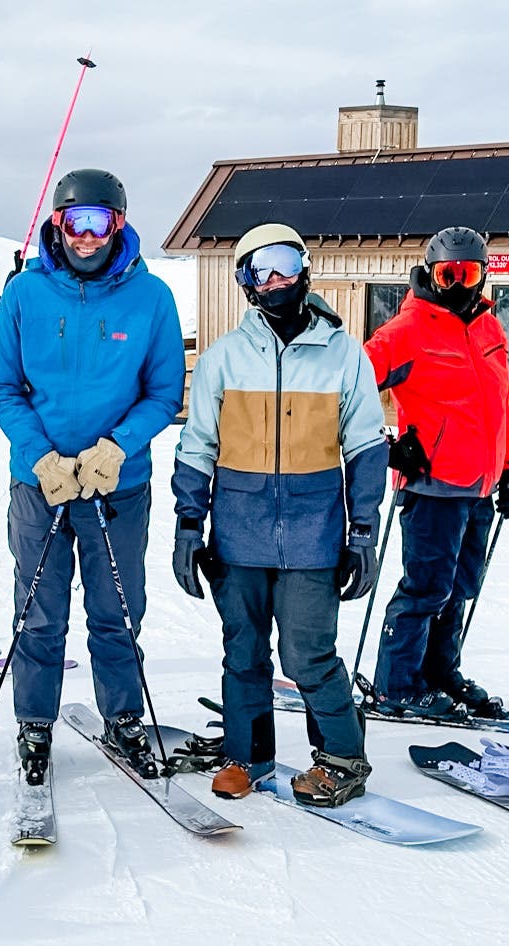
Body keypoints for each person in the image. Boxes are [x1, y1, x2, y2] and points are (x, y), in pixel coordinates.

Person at [172, 223, 387, 805]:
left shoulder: (344, 355)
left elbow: (366, 447)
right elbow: (197, 448)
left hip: (313, 535)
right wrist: (189, 525)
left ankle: (342, 756)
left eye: (284, 262)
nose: (274, 278)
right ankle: (249, 755)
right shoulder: (223, 358)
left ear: (305, 267)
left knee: (307, 655)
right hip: (238, 535)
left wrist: (362, 533)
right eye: (259, 268)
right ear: (244, 282)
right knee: (243, 652)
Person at [0, 168, 186, 783]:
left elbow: (163, 392)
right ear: (58, 224)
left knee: (117, 609)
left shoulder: (151, 298)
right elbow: (2, 387)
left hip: (115, 485)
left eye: (100, 222)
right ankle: (34, 722)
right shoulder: (24, 294)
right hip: (40, 485)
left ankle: (123, 718)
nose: (87, 236)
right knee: (39, 611)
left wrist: (116, 448)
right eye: (76, 222)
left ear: (119, 225)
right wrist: (41, 455)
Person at [364, 226, 509, 721]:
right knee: (425, 589)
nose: (459, 284)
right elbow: (350, 391)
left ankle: (440, 673)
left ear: (484, 275)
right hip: (431, 485)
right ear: (430, 272)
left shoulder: (489, 328)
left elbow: (499, 409)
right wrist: (388, 446)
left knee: (460, 587)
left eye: (469, 274)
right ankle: (397, 683)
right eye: (449, 274)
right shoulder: (406, 331)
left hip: (479, 485)